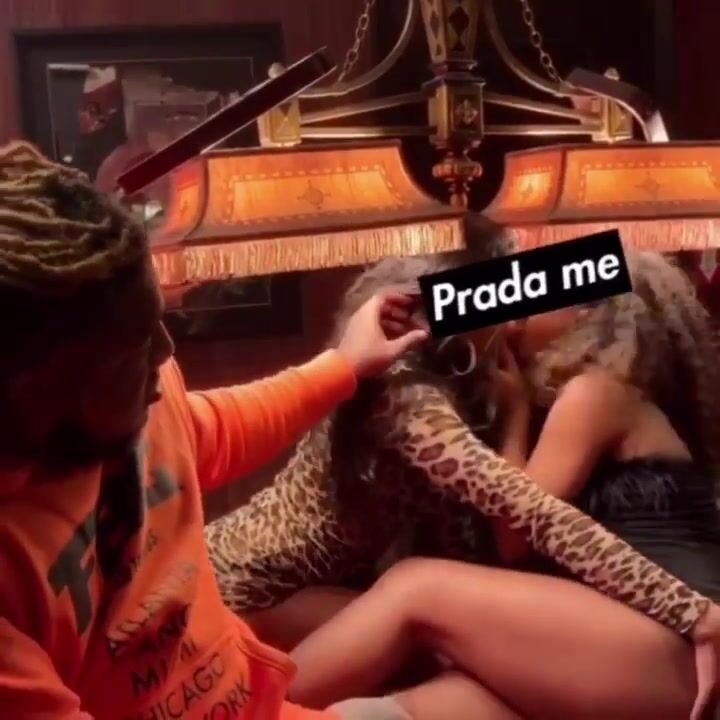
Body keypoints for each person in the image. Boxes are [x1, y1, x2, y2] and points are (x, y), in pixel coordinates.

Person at [0, 141, 433, 720]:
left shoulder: (144, 398)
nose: (165, 353)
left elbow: (209, 430)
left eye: (158, 322)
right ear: (40, 387)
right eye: (135, 348)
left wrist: (344, 365)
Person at [286, 251, 720, 720]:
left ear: (587, 316)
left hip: (679, 644)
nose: (511, 324)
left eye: (532, 307)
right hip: (636, 642)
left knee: (417, 587)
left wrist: (513, 418)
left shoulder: (596, 392)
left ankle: (238, 702)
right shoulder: (603, 400)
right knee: (437, 703)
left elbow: (516, 536)